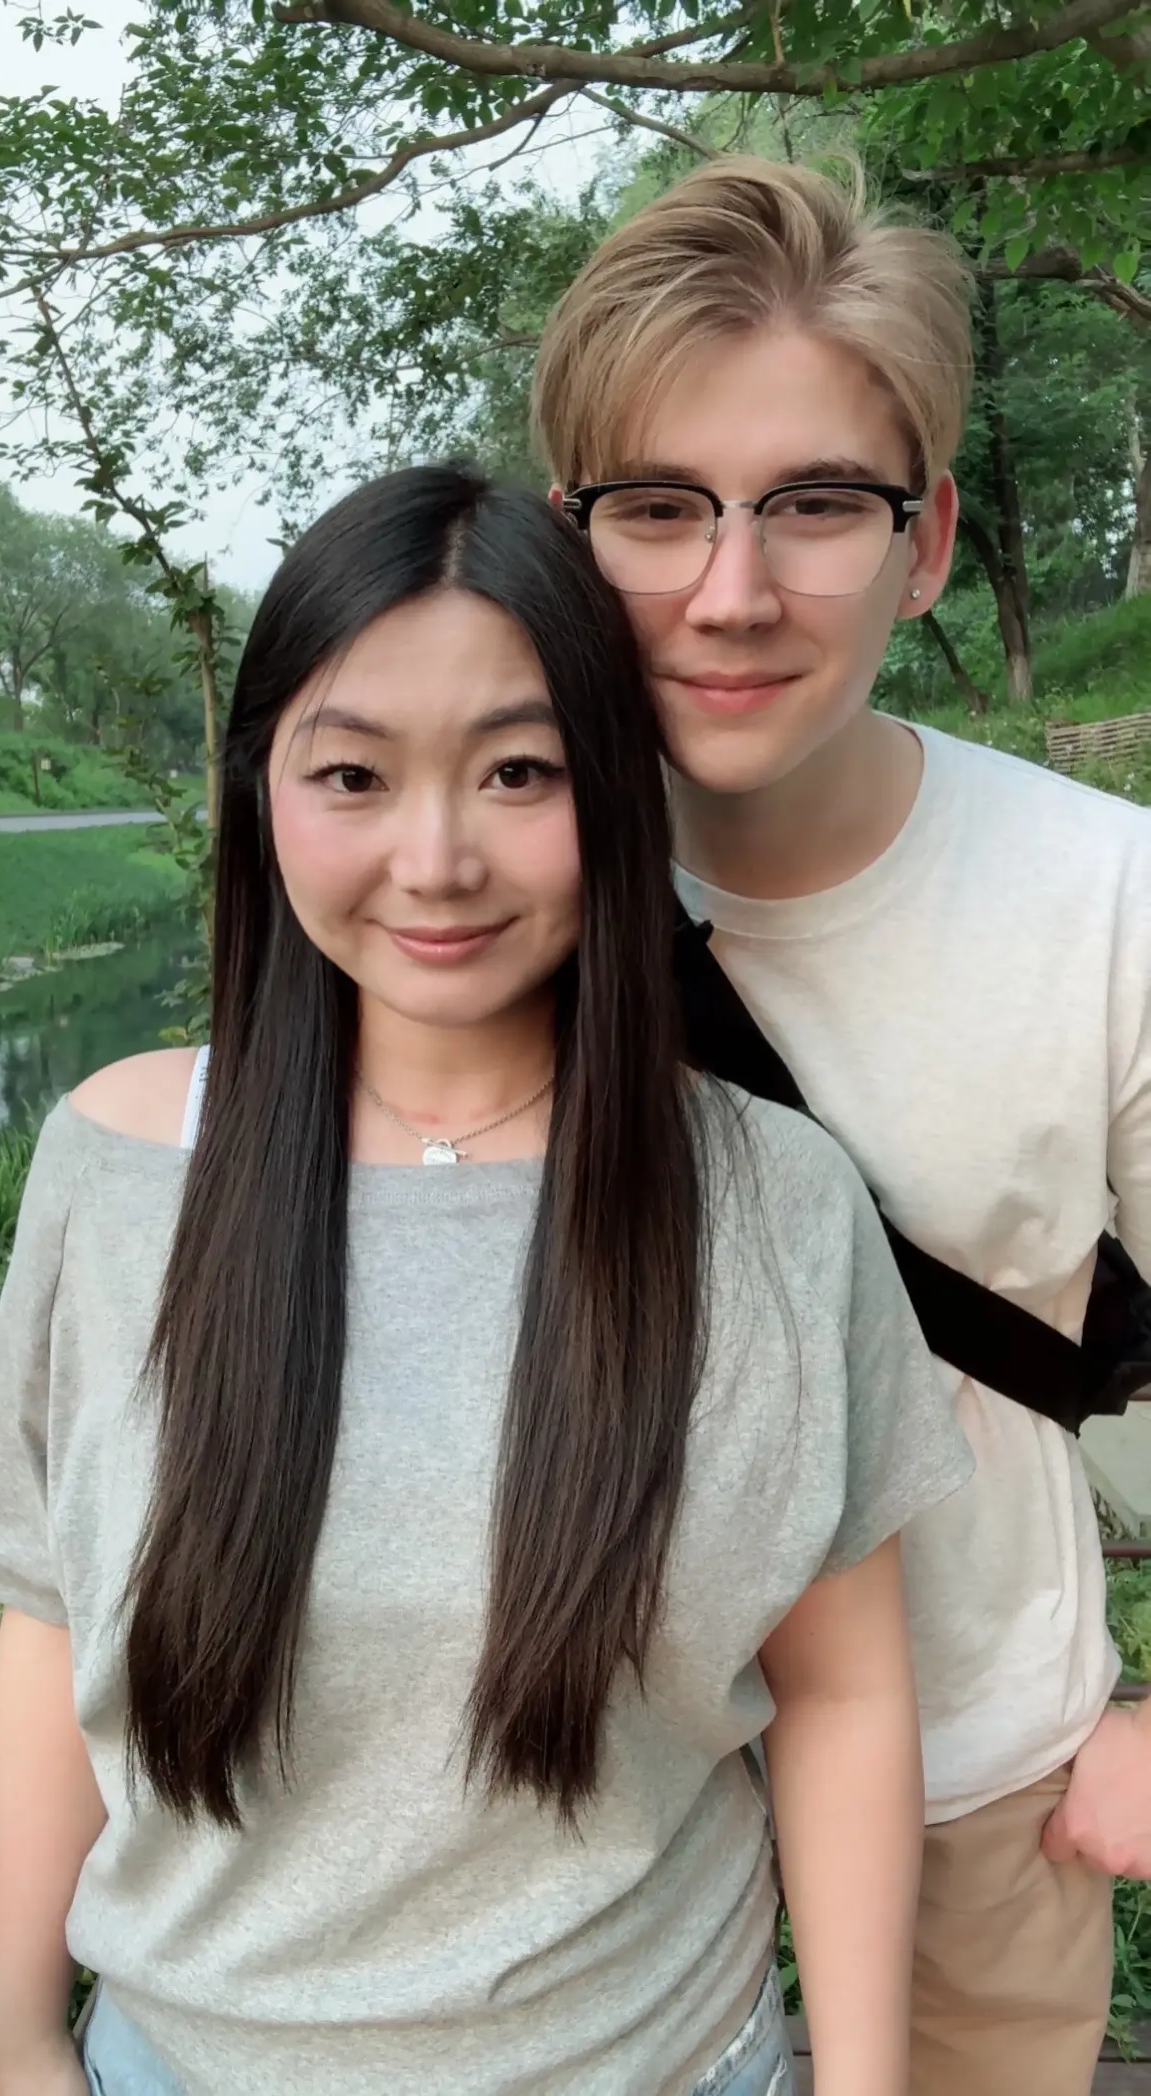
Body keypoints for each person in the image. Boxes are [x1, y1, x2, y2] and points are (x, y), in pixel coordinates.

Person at [0, 466, 970, 2096]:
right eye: (352, 774)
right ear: (260, 791)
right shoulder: (118, 1164)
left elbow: (844, 1690)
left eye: (520, 770)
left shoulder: (770, 1202)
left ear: (617, 789)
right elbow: (54, 1616)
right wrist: (13, 2026)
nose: (436, 861)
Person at [533, 154, 1151, 2096]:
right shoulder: (467, 895)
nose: (731, 593)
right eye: (657, 508)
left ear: (927, 536)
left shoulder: (1105, 900)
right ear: (566, 543)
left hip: (980, 1777)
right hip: (588, 1830)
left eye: (813, 503)